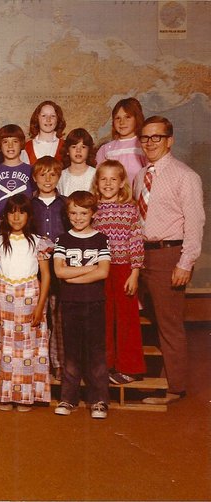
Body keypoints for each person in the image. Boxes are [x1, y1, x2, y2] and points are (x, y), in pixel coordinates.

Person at [133, 116, 205, 405]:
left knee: (170, 323)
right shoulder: (141, 176)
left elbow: (195, 222)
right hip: (143, 254)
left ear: (170, 140)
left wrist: (185, 263)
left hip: (169, 255)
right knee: (152, 319)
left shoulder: (185, 176)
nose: (150, 143)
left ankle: (175, 388)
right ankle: (162, 378)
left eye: (157, 137)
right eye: (146, 138)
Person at [0, 194, 52, 412]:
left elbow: (46, 276)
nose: (16, 217)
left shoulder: (38, 242)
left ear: (29, 216)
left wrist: (40, 306)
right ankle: (5, 394)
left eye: (21, 212)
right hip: (4, 298)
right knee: (5, 347)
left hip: (30, 297)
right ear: (5, 215)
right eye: (12, 212)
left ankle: (25, 396)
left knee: (26, 349)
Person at [53, 191, 111, 419]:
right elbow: (59, 271)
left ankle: (99, 400)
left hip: (94, 302)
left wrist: (72, 275)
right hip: (70, 303)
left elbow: (104, 272)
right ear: (67, 214)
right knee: (72, 354)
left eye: (83, 213)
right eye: (73, 213)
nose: (78, 218)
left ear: (93, 214)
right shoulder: (62, 239)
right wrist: (91, 268)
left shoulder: (101, 239)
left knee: (96, 354)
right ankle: (69, 399)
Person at [91, 160, 146, 384]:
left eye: (113, 179)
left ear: (122, 182)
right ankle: (105, 365)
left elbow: (135, 241)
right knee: (102, 318)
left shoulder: (130, 209)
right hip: (99, 270)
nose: (108, 183)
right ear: (97, 182)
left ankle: (129, 368)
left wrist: (134, 273)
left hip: (124, 269)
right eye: (103, 178)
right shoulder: (92, 209)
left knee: (126, 319)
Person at [30, 156, 69, 379]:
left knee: (59, 317)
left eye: (52, 174)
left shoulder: (65, 204)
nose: (47, 179)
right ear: (35, 178)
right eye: (42, 174)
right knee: (37, 315)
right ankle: (36, 361)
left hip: (60, 268)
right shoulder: (27, 204)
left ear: (59, 177)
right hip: (35, 270)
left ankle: (59, 363)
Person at [0, 124, 34, 239]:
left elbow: (36, 201)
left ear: (21, 144)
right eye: (5, 142)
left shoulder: (31, 171)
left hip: (25, 225)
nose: (10, 146)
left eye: (15, 141)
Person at [95, 97, 146, 182]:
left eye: (127, 117)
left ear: (137, 119)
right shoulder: (106, 149)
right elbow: (99, 178)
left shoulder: (143, 146)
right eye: (118, 118)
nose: (122, 122)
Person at [20, 100, 66, 165]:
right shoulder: (26, 147)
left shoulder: (65, 146)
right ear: (37, 118)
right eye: (44, 116)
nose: (48, 120)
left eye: (53, 116)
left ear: (58, 119)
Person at [58, 128, 96, 196]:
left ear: (89, 150)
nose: (78, 150)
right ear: (67, 151)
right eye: (74, 147)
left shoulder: (95, 174)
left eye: (83, 147)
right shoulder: (61, 176)